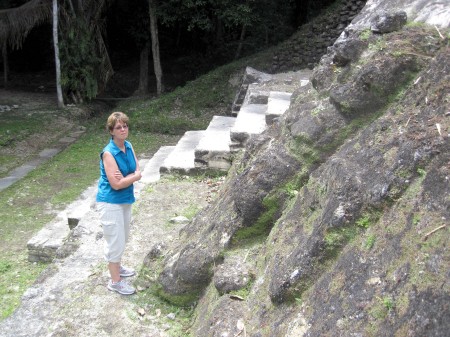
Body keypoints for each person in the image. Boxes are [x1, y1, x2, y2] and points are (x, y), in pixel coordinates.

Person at [96, 111, 142, 295]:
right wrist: (133, 177)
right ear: (111, 131)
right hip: (110, 202)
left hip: (125, 200)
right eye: (118, 127)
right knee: (114, 241)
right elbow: (115, 184)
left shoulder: (128, 146)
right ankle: (115, 281)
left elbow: (137, 169)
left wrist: (128, 177)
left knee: (122, 237)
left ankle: (118, 267)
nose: (123, 129)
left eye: (125, 126)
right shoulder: (108, 153)